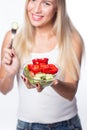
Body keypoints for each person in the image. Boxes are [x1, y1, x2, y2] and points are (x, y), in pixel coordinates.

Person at [0, 0, 84, 129]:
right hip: (26, 125)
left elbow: (71, 93)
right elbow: (4, 89)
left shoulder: (72, 39)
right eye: (33, 0)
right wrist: (11, 73)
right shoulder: (13, 38)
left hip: (66, 125)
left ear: (57, 8)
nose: (36, 9)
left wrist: (52, 82)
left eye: (46, 3)